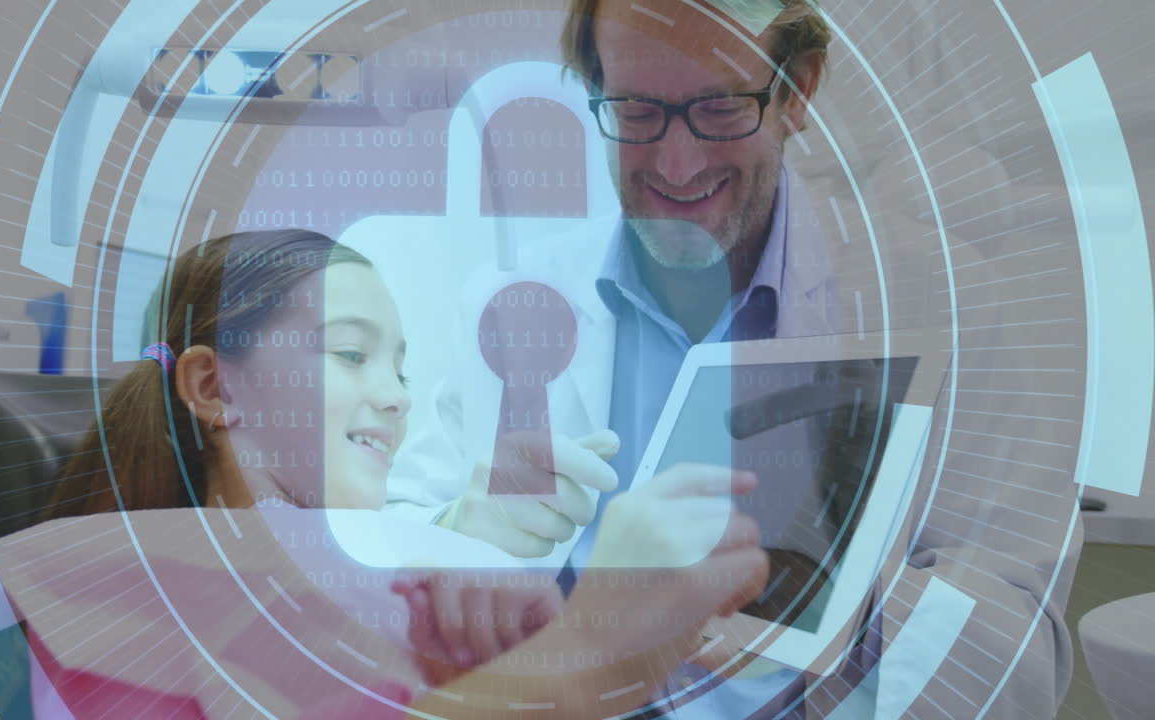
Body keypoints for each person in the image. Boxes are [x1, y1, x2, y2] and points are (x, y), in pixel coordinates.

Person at [386, 1, 1080, 717]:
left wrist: (836, 611)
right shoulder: (512, 302)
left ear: (798, 90)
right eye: (635, 109)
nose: (677, 164)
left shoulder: (943, 302)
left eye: (720, 108)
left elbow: (1020, 633)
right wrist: (455, 538)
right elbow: (392, 549)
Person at [0, 228, 768, 718]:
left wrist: (462, 537)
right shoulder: (154, 582)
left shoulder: (348, 575)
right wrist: (598, 647)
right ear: (214, 387)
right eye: (351, 354)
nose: (396, 399)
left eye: (403, 371)